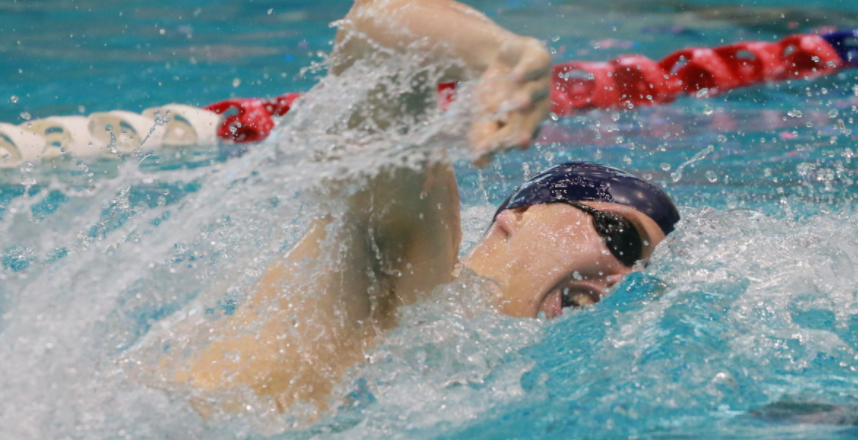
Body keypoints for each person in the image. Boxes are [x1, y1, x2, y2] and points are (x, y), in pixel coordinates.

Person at [172, 0, 680, 413]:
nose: (622, 274)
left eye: (641, 267)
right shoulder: (416, 254)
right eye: (621, 238)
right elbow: (375, 27)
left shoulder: (481, 359)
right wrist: (503, 54)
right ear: (517, 218)